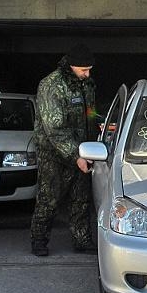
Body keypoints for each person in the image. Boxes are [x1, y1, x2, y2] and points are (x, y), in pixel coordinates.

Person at [30, 44, 99, 256]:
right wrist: (74, 155)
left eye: (89, 69)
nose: (87, 74)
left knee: (81, 198)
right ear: (71, 66)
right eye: (83, 70)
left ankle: (82, 240)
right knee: (49, 198)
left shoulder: (86, 84)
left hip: (82, 151)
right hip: (54, 154)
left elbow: (90, 113)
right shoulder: (51, 85)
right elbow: (55, 129)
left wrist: (98, 132)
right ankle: (39, 240)